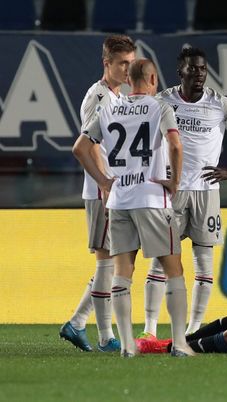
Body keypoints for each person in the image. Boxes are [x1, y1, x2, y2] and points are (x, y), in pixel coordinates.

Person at [140, 47, 227, 338]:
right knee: (160, 262)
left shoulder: (220, 103)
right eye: (193, 69)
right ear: (180, 72)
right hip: (172, 191)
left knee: (204, 265)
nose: (199, 74)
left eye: (203, 69)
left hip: (207, 192)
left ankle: (194, 329)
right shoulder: (161, 101)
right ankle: (148, 329)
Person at [72, 59, 193, 357]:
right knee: (173, 268)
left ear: (129, 79)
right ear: (152, 78)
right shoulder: (159, 107)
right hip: (151, 198)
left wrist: (103, 180)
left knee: (122, 273)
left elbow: (80, 147)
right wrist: (175, 181)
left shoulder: (109, 108)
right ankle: (179, 343)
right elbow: (175, 146)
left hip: (119, 200)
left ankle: (127, 345)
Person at [60, 34, 136, 353]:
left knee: (112, 263)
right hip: (102, 192)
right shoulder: (100, 97)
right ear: (107, 63)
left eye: (131, 63)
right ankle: (93, 331)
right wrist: (104, 182)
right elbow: (83, 148)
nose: (127, 69)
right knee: (108, 263)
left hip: (113, 190)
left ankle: (89, 329)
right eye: (122, 63)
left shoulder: (117, 96)